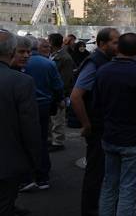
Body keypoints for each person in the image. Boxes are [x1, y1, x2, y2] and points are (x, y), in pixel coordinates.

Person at [92, 33, 136, 216]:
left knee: (109, 183)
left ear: (118, 48)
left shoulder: (103, 70)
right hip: (133, 140)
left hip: (109, 137)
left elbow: (95, 106)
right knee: (128, 186)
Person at [70, 27, 120, 216]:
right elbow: (76, 96)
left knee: (106, 170)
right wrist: (86, 124)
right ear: (101, 44)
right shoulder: (94, 62)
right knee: (96, 171)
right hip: (97, 127)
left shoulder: (106, 61)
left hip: (105, 125)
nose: (118, 45)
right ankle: (90, 210)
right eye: (115, 42)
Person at [0, 31, 41, 216]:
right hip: (8, 159)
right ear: (11, 52)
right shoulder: (21, 82)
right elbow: (29, 126)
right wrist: (35, 158)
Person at [21, 36, 64, 191]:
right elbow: (58, 85)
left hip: (23, 106)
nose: (48, 49)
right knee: (41, 140)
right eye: (45, 47)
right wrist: (60, 99)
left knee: (23, 141)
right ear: (38, 48)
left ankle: (26, 177)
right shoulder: (48, 63)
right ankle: (42, 177)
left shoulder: (19, 62)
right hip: (43, 106)